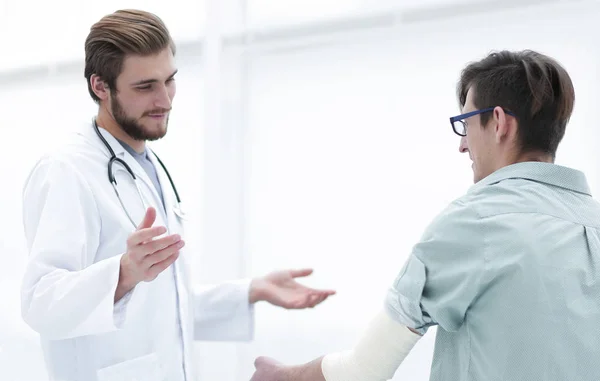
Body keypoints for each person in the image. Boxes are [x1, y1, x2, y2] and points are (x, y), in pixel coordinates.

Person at [20, 9, 335, 381]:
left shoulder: (147, 165)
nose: (165, 100)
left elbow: (164, 303)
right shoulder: (66, 170)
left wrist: (251, 290)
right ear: (100, 87)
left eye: (169, 80)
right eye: (145, 86)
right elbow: (39, 303)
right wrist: (122, 273)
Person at [250, 49, 600, 381]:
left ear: (497, 123)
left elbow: (362, 370)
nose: (462, 145)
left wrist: (283, 376)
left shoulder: (477, 222)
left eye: (466, 123)